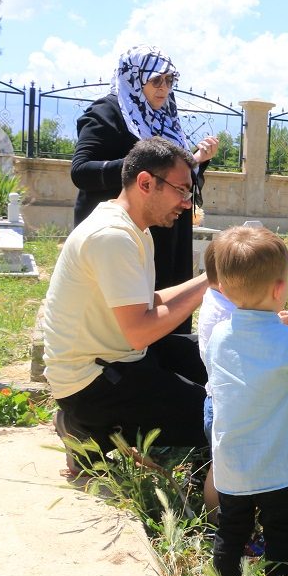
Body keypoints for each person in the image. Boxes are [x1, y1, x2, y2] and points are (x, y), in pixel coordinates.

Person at [45, 137, 210, 476]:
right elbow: (140, 331)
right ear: (146, 183)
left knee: (216, 352)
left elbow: (148, 304)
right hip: (92, 382)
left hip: (116, 357)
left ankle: (91, 428)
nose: (186, 203)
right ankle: (87, 431)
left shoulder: (132, 228)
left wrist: (215, 277)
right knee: (219, 416)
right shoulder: (113, 237)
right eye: (181, 191)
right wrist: (210, 284)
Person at [205, 226, 288, 576]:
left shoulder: (219, 336)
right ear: (279, 290)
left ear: (224, 289)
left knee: (231, 530)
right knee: (281, 532)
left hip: (232, 463)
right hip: (280, 465)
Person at [71, 44, 219, 333]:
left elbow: (176, 177)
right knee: (130, 315)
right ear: (135, 78)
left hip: (168, 229)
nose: (164, 88)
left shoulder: (166, 118)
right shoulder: (107, 112)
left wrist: (197, 162)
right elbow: (81, 171)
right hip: (123, 235)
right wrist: (142, 168)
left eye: (170, 80)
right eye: (156, 80)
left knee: (168, 306)